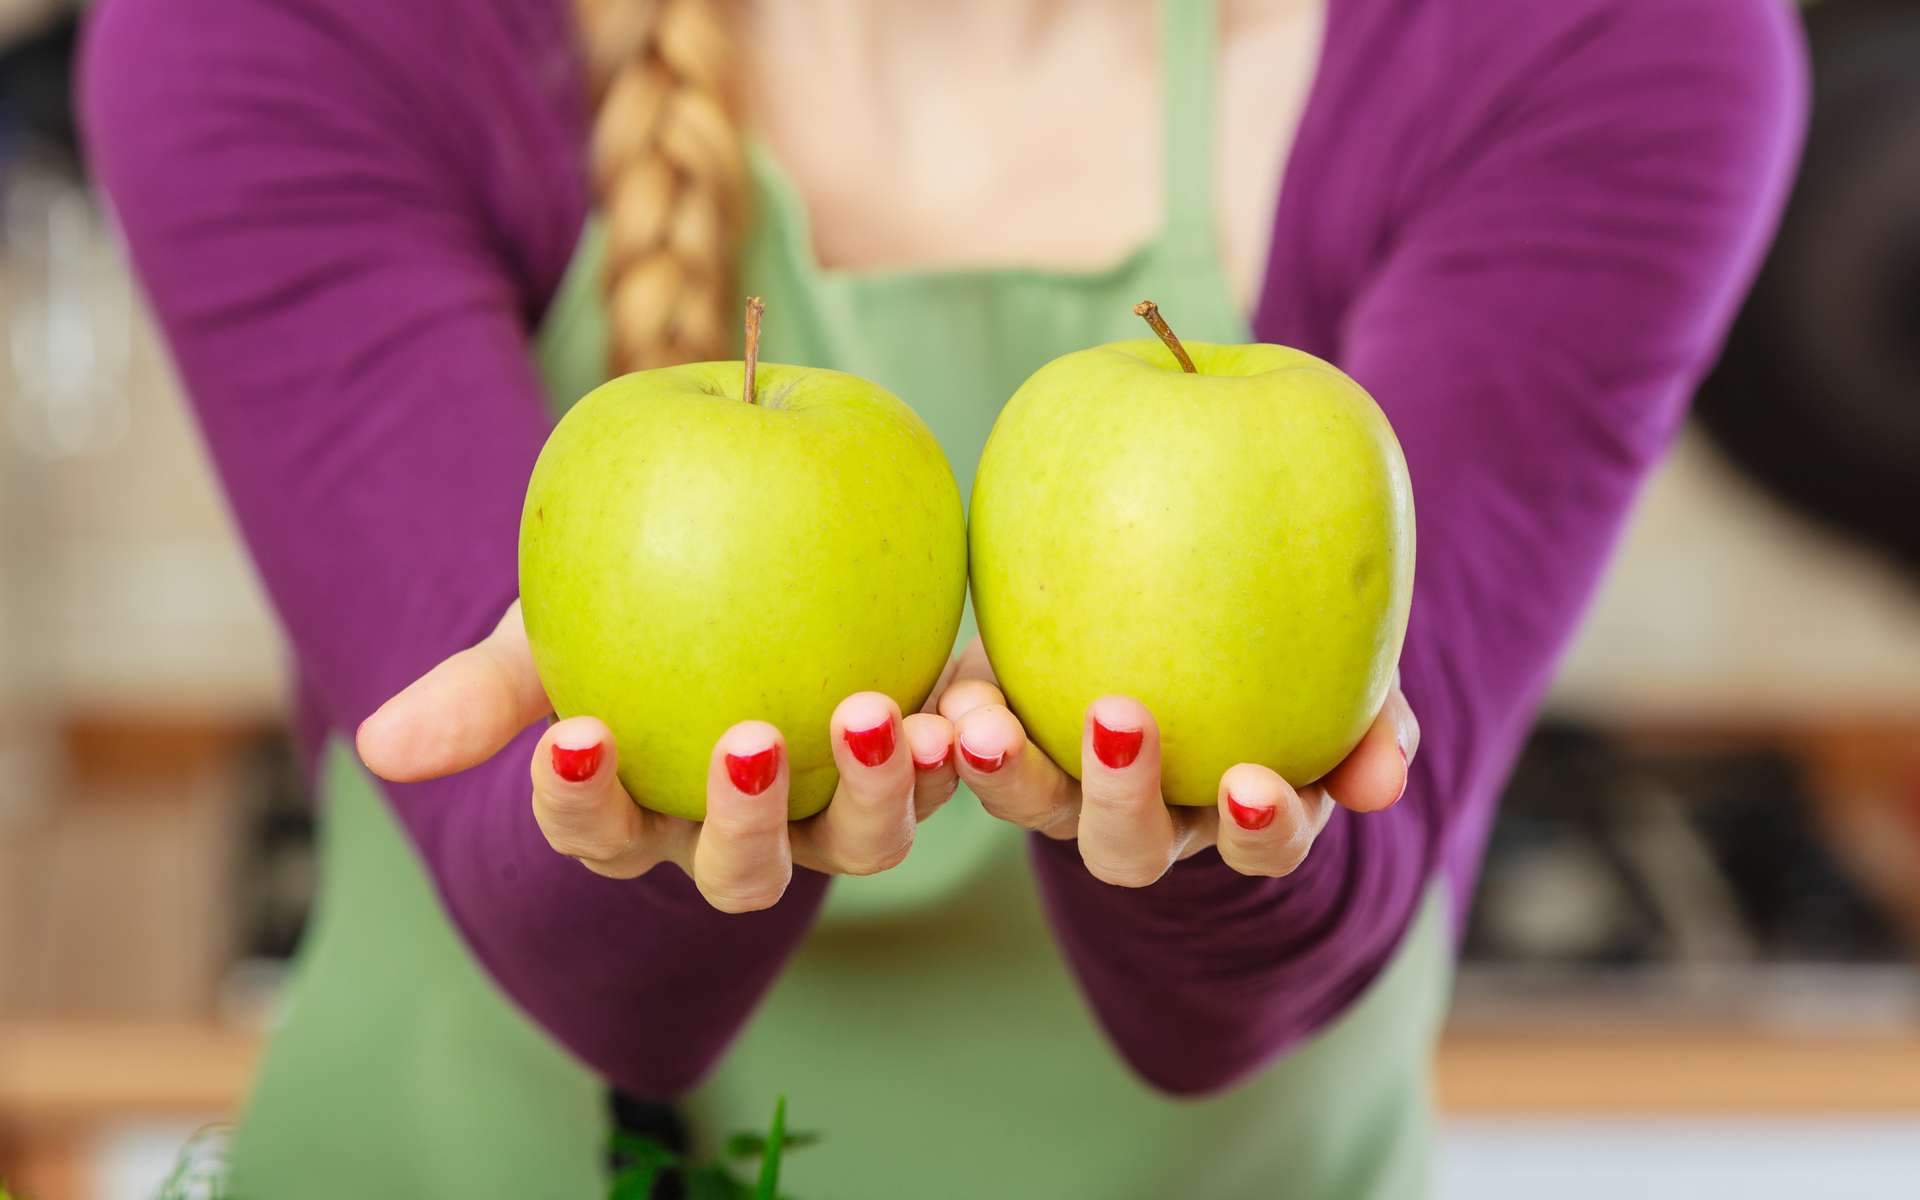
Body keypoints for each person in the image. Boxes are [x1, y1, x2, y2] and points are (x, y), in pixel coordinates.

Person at [79, 0, 1804, 1195]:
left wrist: (1204, 831)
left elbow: (1290, 936)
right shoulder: (288, 30)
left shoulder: (1608, 47)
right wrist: (637, 781)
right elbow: (593, 974)